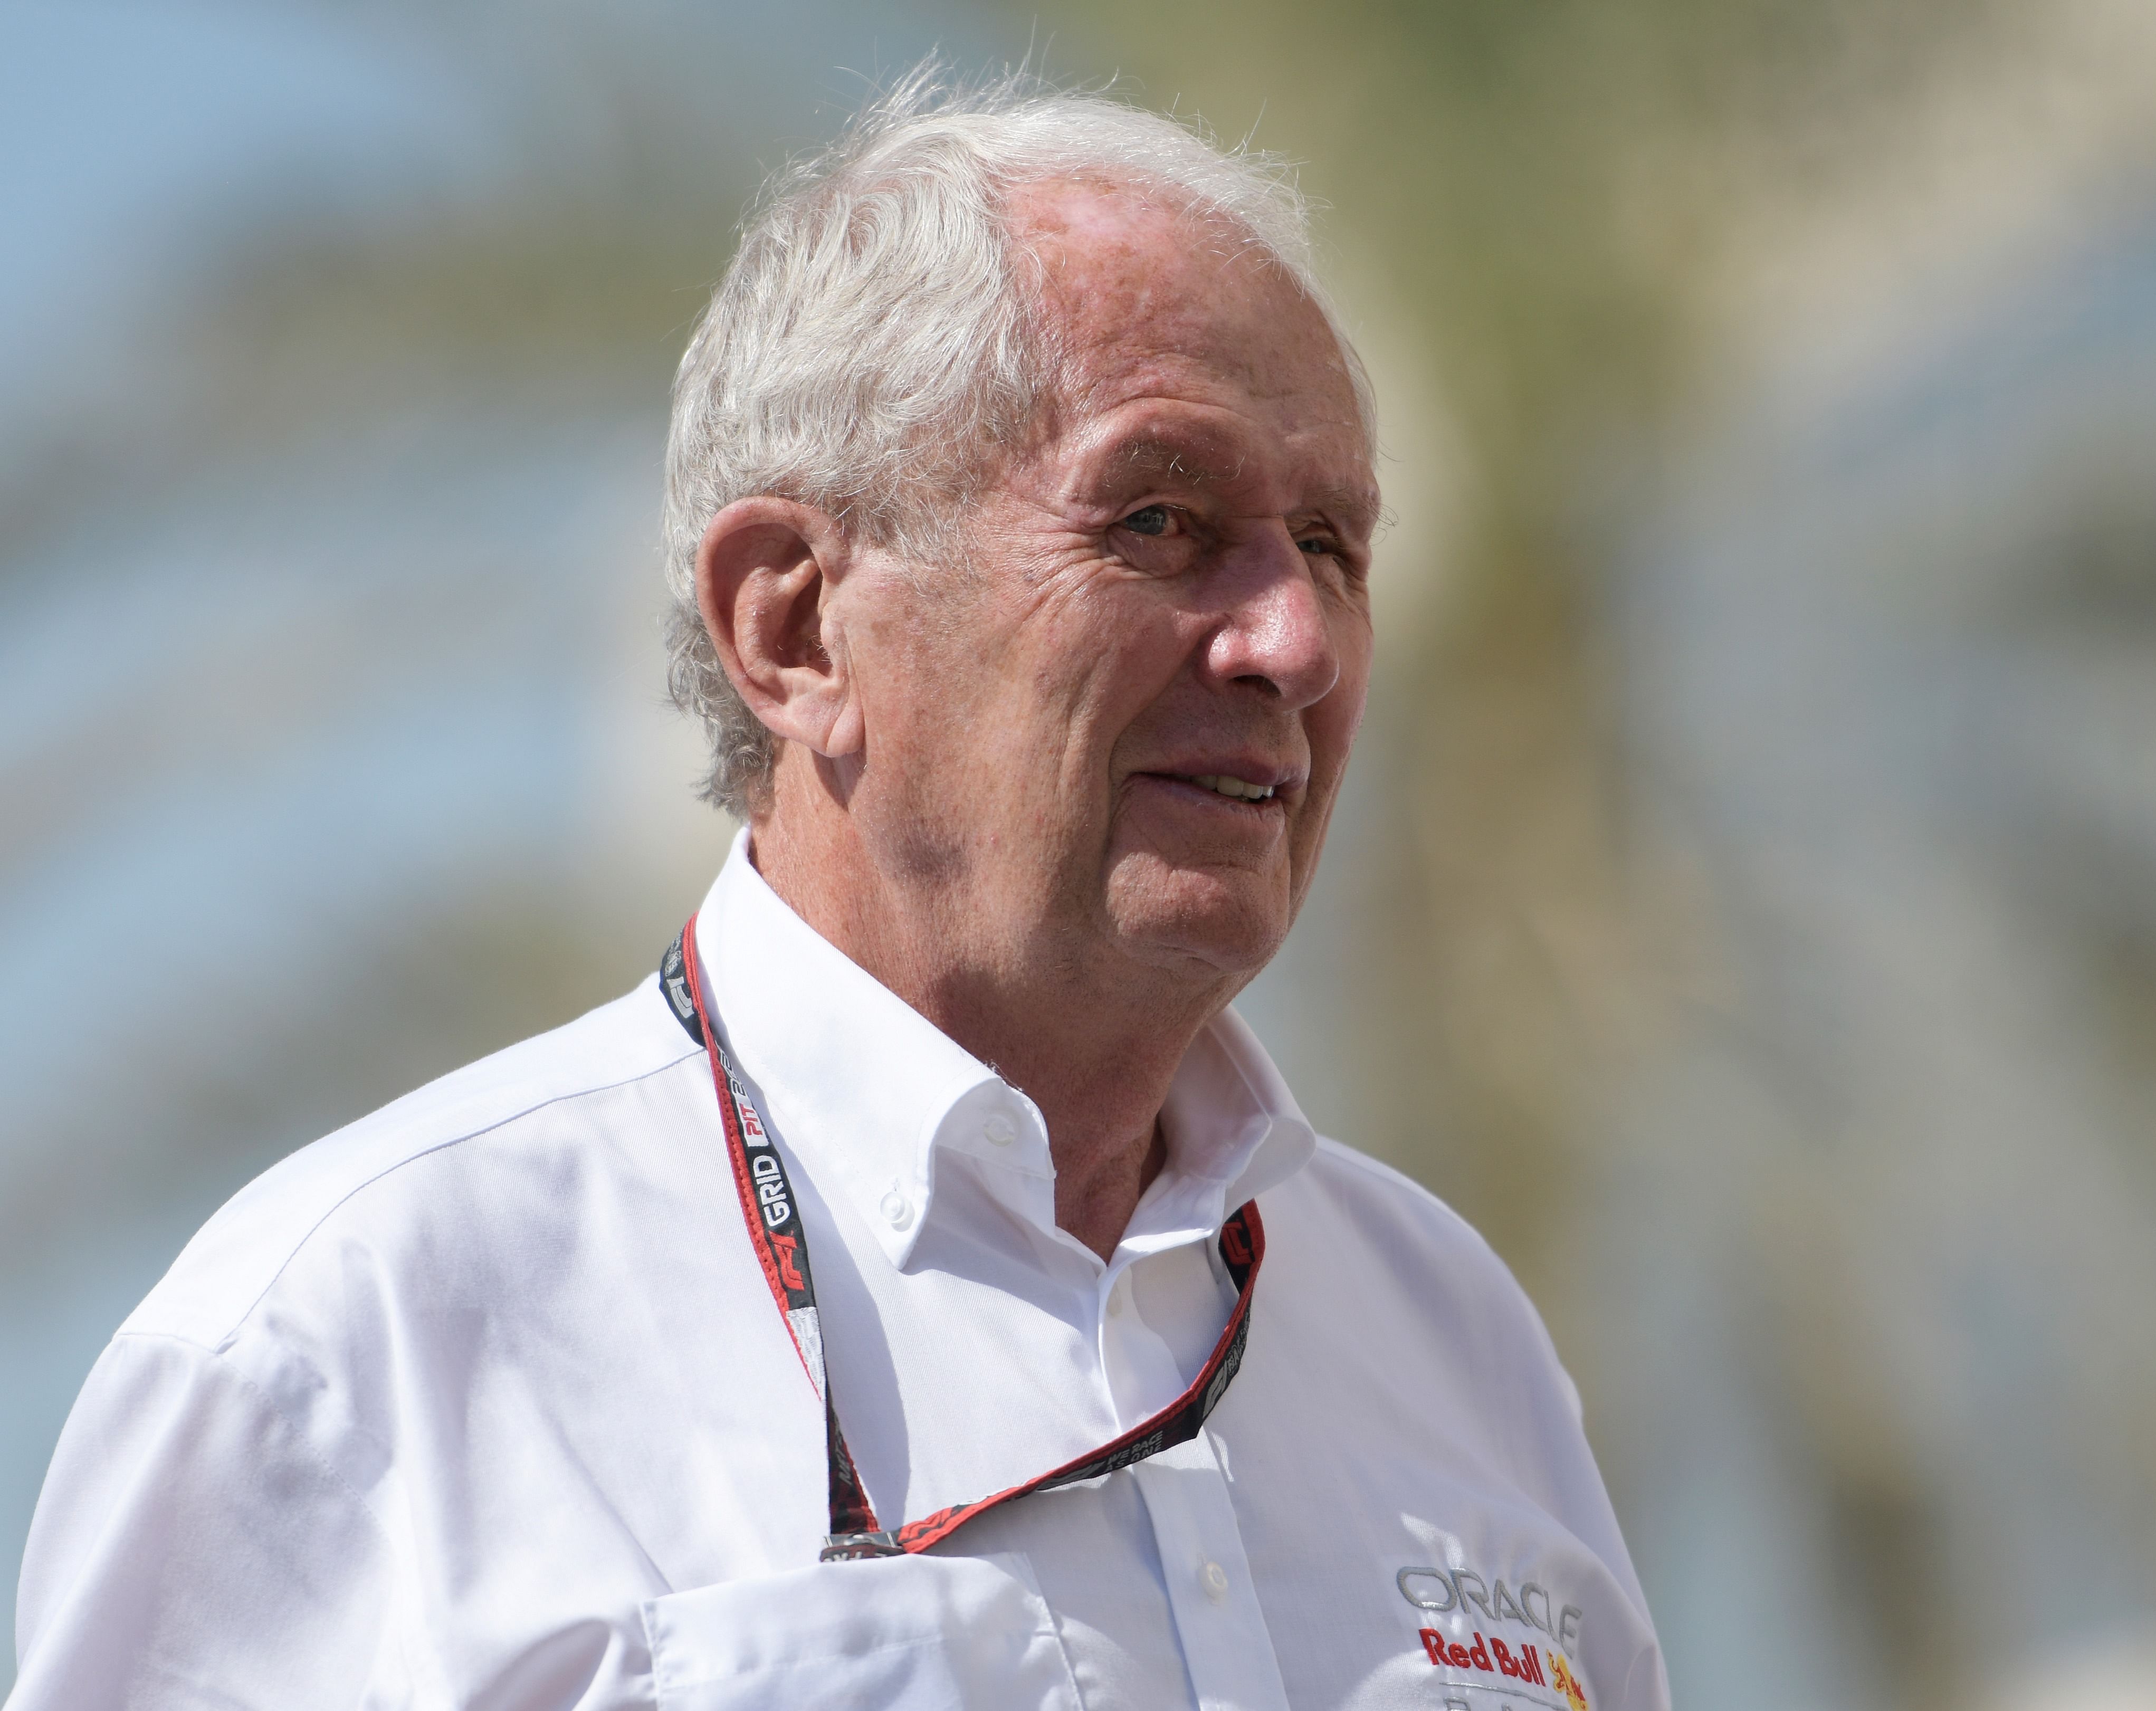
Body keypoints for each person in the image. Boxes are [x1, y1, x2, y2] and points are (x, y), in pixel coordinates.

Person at [10, 73, 1667, 1711]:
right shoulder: (352, 1342)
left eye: (1333, 548)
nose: (1292, 643)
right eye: (1162, 518)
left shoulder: (1451, 1341)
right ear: (796, 628)